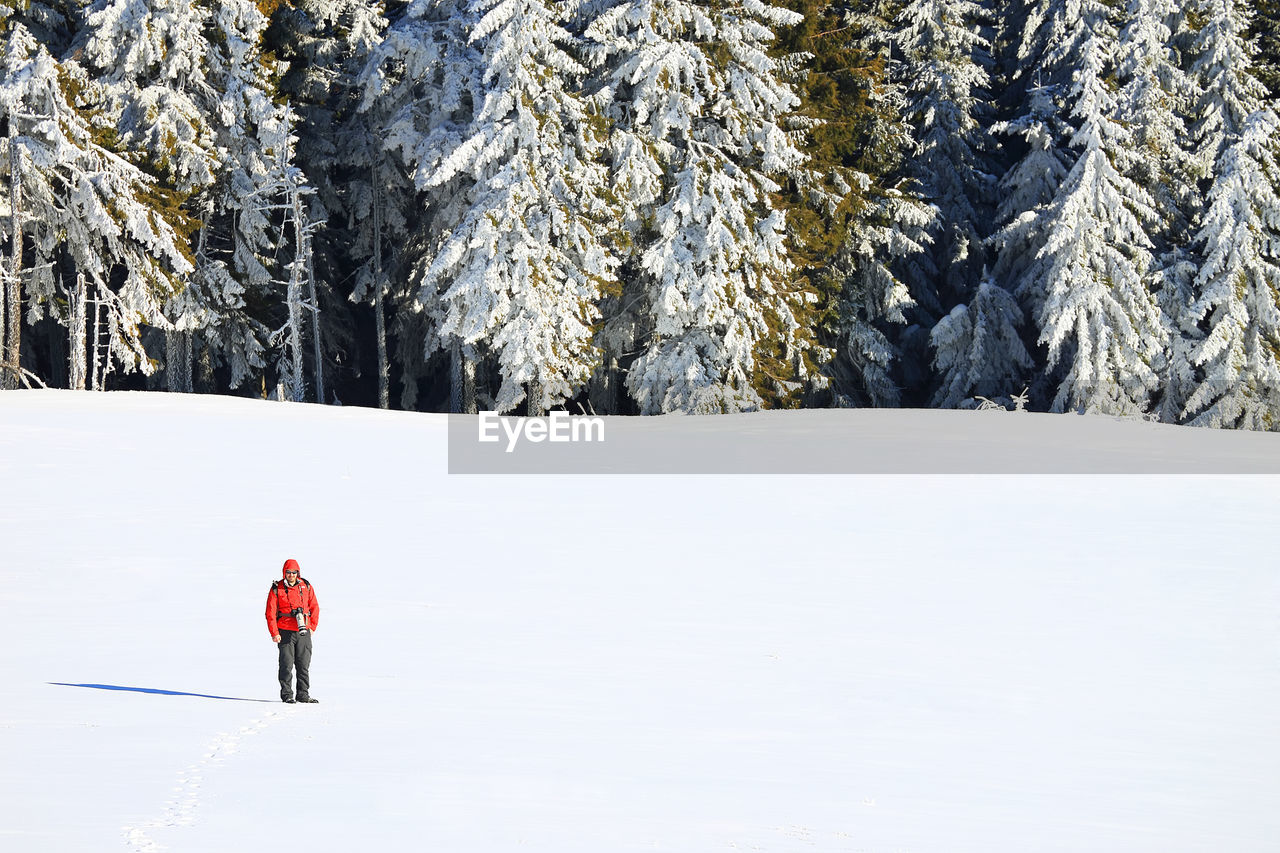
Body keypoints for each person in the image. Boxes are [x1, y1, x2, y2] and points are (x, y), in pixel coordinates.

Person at [266, 559, 320, 704]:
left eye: (294, 572)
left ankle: (303, 694)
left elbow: (314, 607)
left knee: (303, 664)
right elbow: (270, 612)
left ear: (298, 573)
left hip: (304, 631)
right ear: (284, 573)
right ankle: (287, 695)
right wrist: (274, 632)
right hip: (284, 631)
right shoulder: (277, 588)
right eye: (288, 572)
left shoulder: (306, 586)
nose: (291, 575)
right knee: (286, 664)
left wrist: (312, 626)